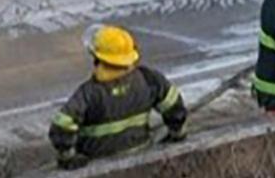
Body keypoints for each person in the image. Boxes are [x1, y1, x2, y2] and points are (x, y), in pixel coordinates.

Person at [48, 25, 187, 169]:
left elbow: (62, 127)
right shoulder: (148, 79)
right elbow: (174, 107)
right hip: (140, 149)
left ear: (98, 58)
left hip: (97, 160)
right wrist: (177, 134)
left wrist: (68, 157)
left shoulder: (89, 93)